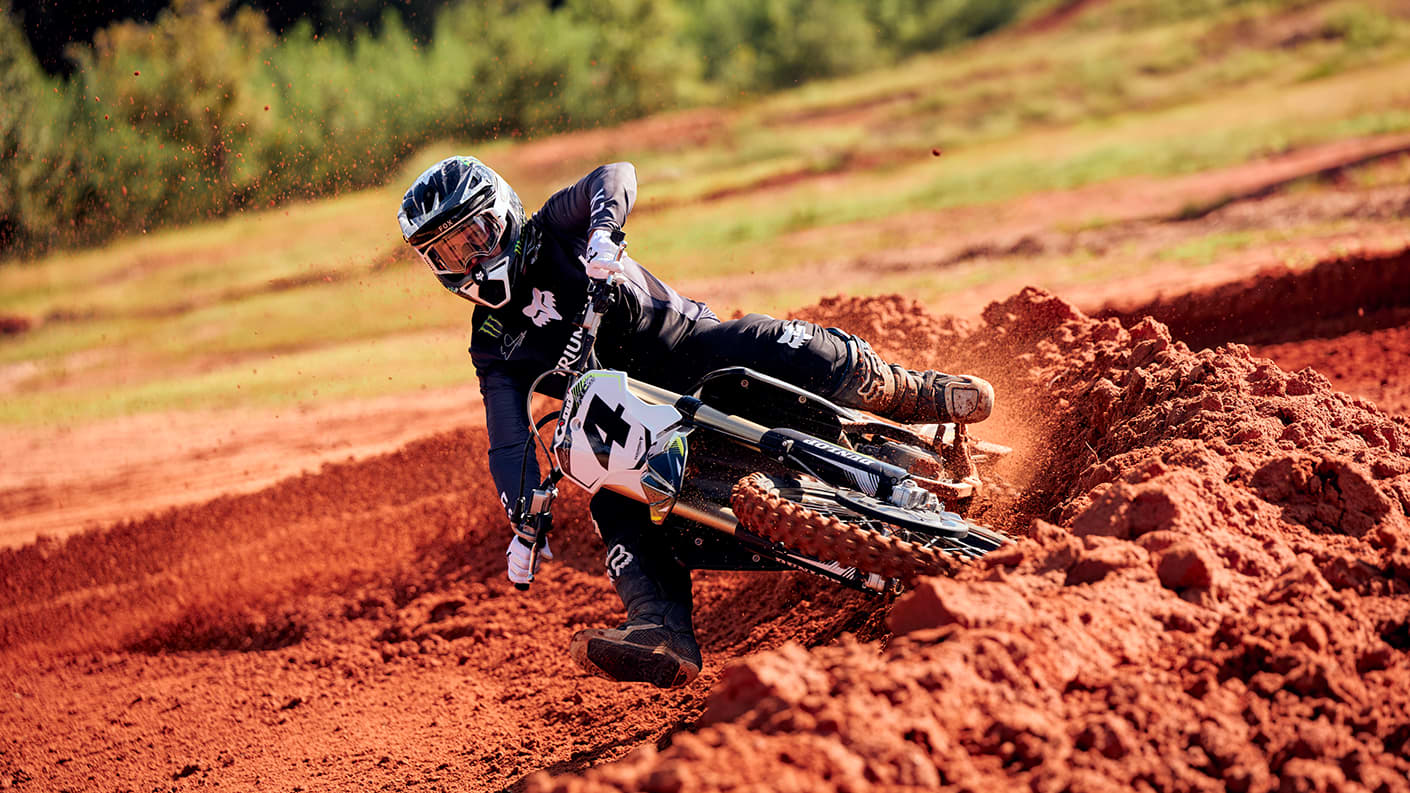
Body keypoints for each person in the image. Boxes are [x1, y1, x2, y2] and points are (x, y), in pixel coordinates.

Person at [397, 156, 993, 689]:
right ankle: (658, 631)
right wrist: (523, 511)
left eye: (473, 236)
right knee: (612, 503)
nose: (469, 260)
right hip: (632, 425)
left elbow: (616, 174)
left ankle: (914, 391)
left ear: (500, 211)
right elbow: (506, 435)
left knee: (768, 342)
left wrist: (603, 229)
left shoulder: (555, 227)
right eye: (446, 254)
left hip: (690, 353)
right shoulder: (491, 343)